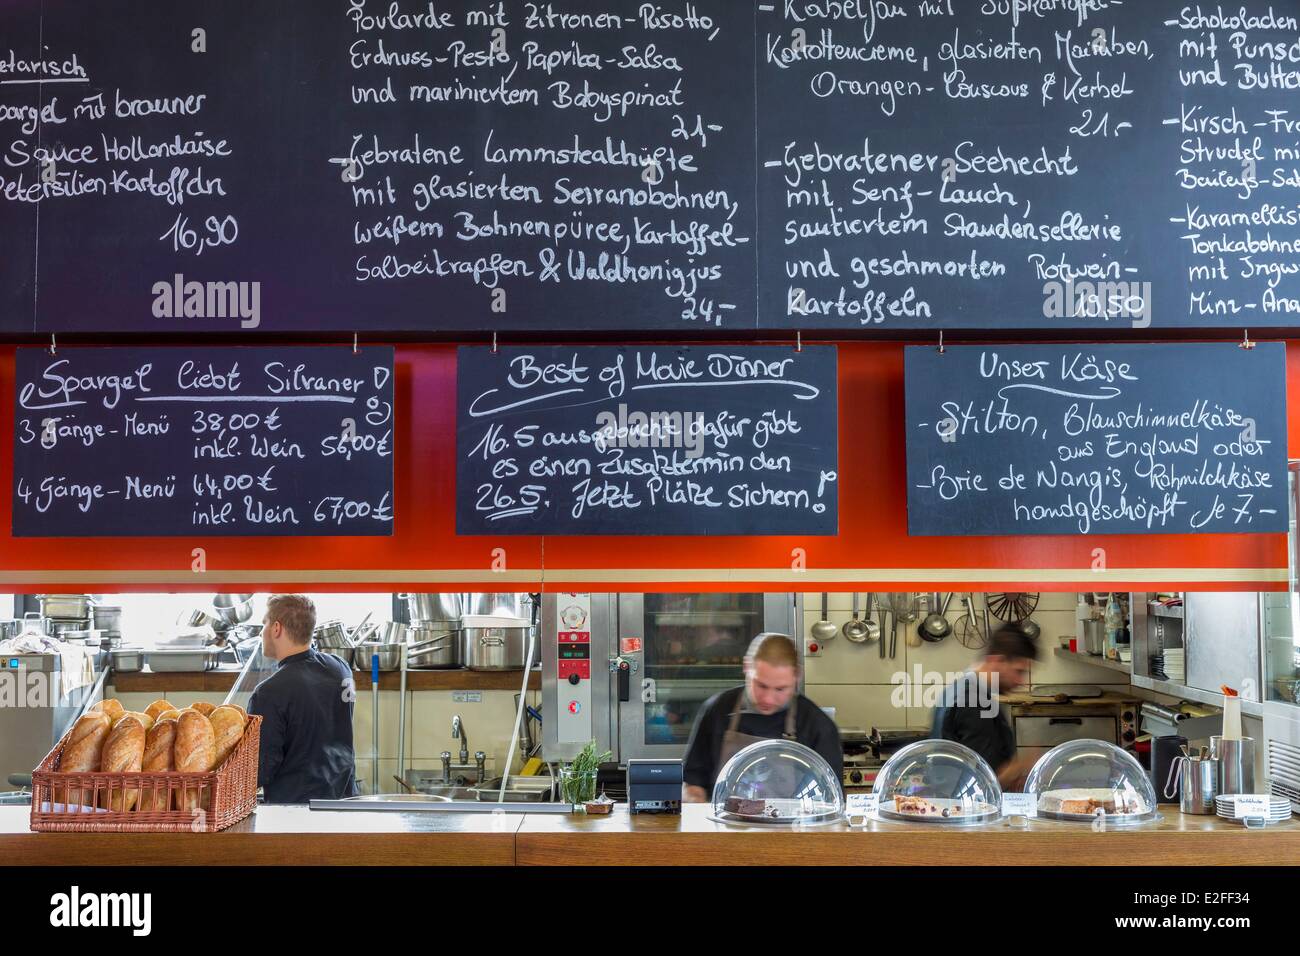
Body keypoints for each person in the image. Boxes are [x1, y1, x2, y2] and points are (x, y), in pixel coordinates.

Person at [681, 632, 842, 803]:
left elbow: (830, 800)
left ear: (797, 676)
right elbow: (693, 784)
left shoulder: (817, 725)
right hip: (725, 827)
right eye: (761, 685)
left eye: (780, 689)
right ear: (746, 667)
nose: (768, 699)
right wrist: (696, 808)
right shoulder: (718, 710)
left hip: (793, 828)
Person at [249, 594, 358, 803]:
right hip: (344, 804)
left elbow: (261, 769)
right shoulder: (341, 668)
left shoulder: (268, 693)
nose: (261, 632)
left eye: (264, 624)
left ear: (276, 628)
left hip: (295, 816)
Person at [931, 623, 1039, 789]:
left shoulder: (962, 686)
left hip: (955, 800)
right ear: (997, 661)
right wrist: (1025, 764)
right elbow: (986, 781)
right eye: (1018, 671)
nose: (1021, 682)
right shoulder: (974, 702)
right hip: (970, 809)